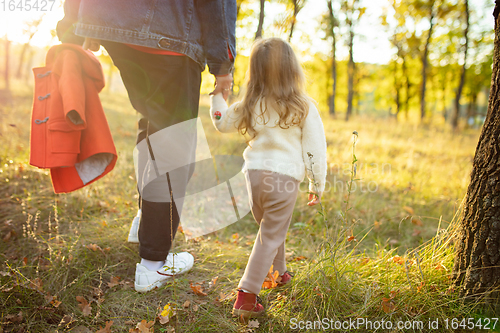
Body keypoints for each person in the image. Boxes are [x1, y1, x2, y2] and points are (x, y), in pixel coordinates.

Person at [56, 0, 237, 292]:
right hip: (169, 33)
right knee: (174, 145)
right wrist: (222, 63)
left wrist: (76, 22)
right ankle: (153, 265)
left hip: (113, 24)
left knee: (154, 123)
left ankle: (145, 222)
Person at [209, 37, 327, 318]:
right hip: (283, 179)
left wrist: (217, 97)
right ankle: (246, 296)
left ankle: (279, 273)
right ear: (292, 70)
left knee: (272, 230)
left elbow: (221, 122)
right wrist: (317, 183)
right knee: (270, 234)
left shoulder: (250, 103)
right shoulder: (304, 105)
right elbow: (315, 149)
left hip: (253, 176)